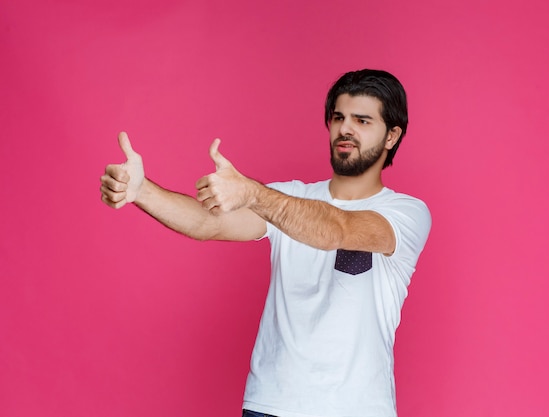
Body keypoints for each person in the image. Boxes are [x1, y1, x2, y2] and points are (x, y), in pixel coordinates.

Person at [100, 69, 431, 417]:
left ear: (392, 135)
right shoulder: (288, 197)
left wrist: (254, 193)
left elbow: (338, 229)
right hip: (271, 404)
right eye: (338, 117)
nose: (345, 129)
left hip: (357, 408)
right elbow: (207, 223)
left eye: (362, 120)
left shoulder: (405, 213)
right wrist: (142, 191)